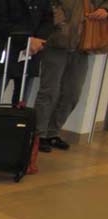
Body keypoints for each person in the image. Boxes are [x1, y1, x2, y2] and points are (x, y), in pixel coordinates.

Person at [35, 0, 108, 152]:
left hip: (82, 46)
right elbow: (48, 5)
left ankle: (52, 132)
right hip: (56, 42)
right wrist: (60, 23)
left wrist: (105, 10)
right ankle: (38, 134)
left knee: (72, 93)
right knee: (49, 91)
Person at [0, 0, 53, 106]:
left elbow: (48, 19)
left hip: (31, 54)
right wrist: (27, 39)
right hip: (5, 52)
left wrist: (39, 39)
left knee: (21, 104)